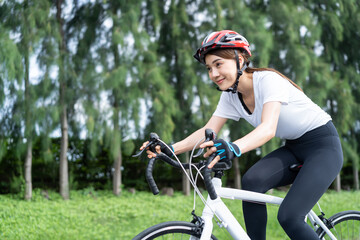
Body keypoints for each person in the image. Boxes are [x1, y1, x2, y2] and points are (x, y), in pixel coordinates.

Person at [140, 30, 343, 240]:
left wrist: (233, 147)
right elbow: (206, 131)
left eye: (218, 64)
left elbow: (268, 128)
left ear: (241, 59)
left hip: (323, 146)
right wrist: (170, 148)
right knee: (252, 180)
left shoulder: (268, 80)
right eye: (209, 68)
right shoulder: (230, 97)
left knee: (290, 217)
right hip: (294, 147)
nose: (213, 74)